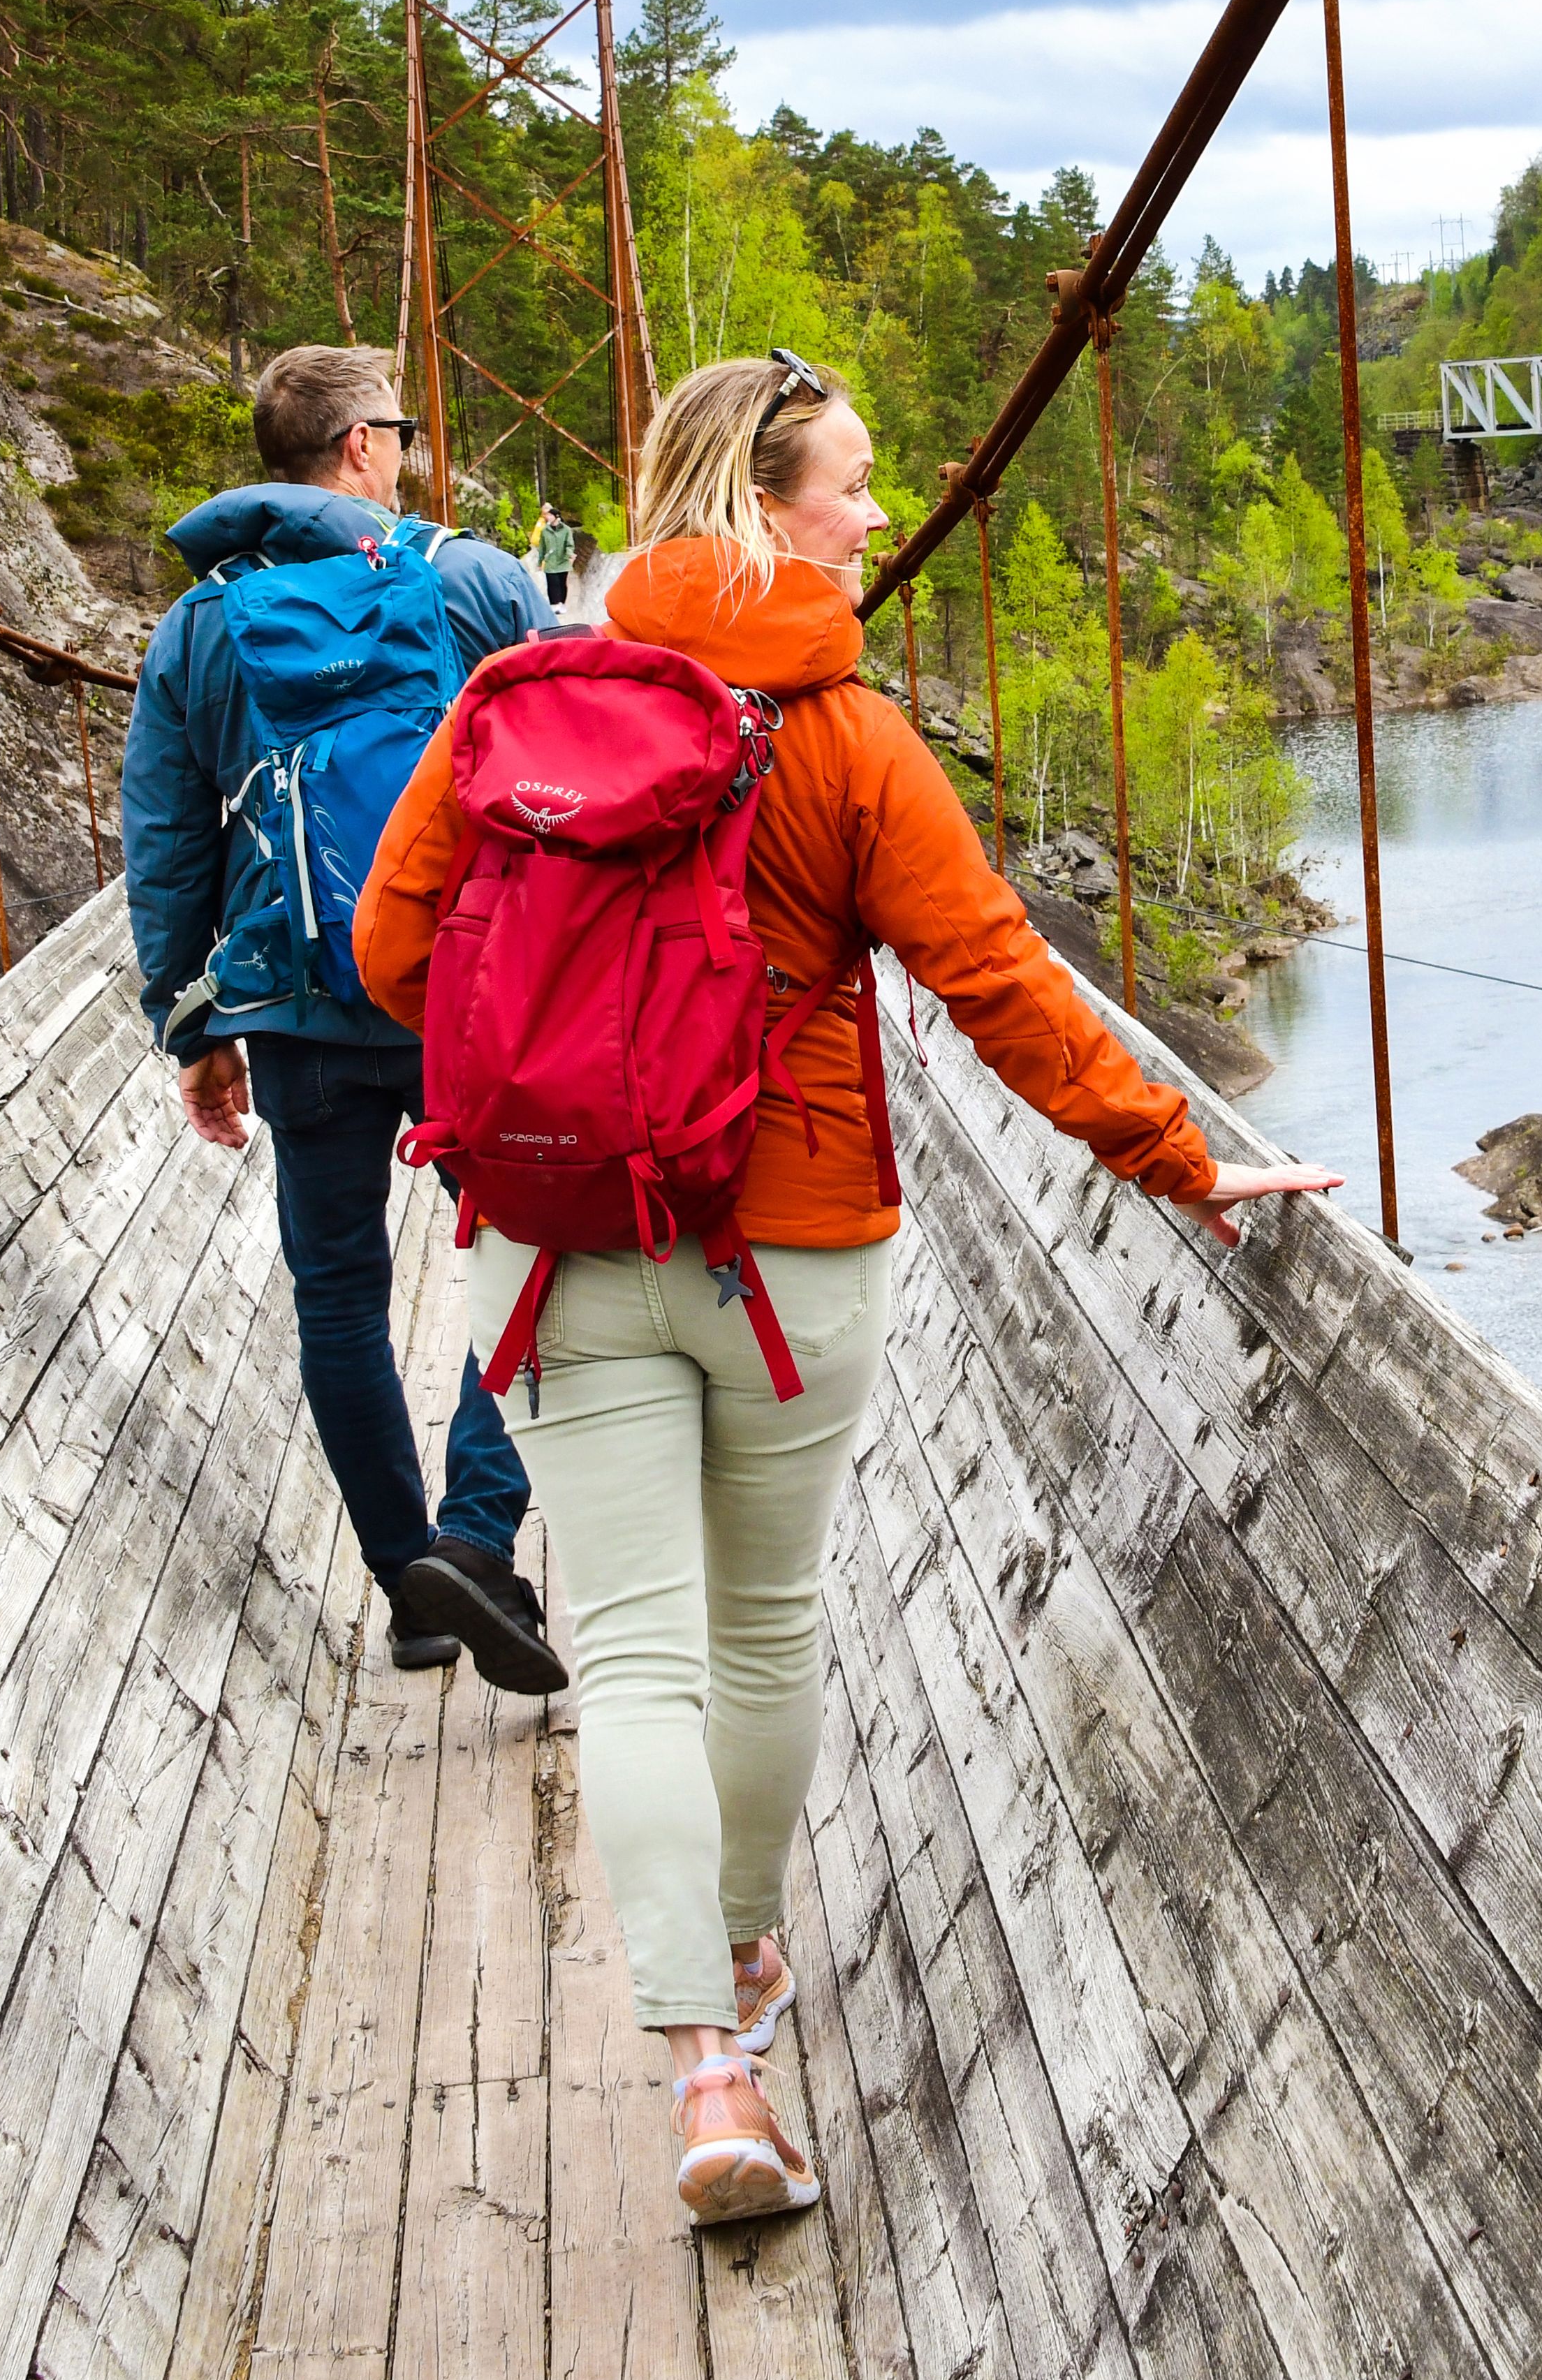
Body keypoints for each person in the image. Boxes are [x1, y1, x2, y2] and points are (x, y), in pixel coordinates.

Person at [356, 350, 1330, 2223]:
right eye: (856, 485)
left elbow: (396, 957)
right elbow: (1001, 979)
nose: (880, 516)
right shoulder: (848, 731)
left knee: (631, 1645)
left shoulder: (503, 698)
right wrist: (1180, 1149)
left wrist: (566, 1063)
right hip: (788, 1237)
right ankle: (739, 1954)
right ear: (769, 492)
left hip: (547, 1245)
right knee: (764, 1620)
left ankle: (708, 2078)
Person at [117, 341, 568, 1693]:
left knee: (339, 1292)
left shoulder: (199, 627)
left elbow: (166, 838)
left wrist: (189, 1024)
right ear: (365, 446)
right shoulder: (473, 579)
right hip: (469, 989)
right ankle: (477, 1536)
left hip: (299, 1008)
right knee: (540, 1260)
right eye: (403, 427)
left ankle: (408, 1587)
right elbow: (574, 755)